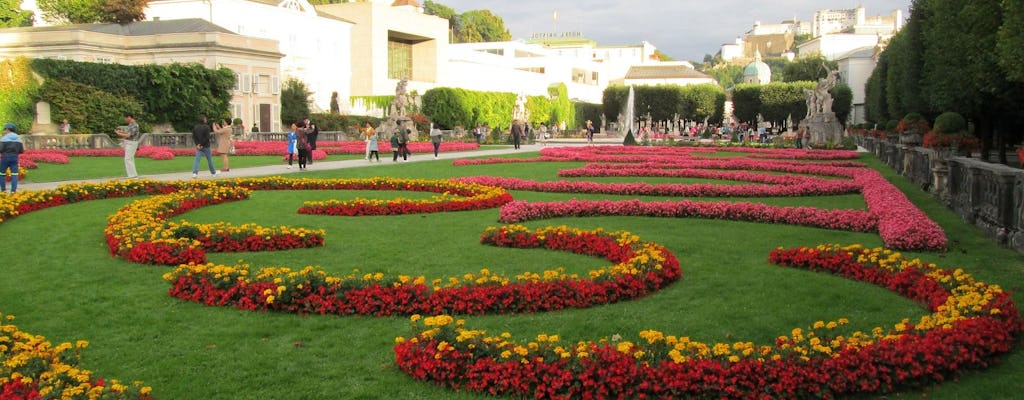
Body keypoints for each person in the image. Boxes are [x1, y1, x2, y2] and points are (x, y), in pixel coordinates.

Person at [114, 112, 140, 178]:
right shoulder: (131, 125)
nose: (125, 119)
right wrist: (121, 132)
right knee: (130, 158)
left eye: (125, 118)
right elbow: (128, 133)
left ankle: (132, 175)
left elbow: (128, 135)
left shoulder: (134, 125)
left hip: (131, 143)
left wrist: (119, 134)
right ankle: (132, 174)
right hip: (129, 142)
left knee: (128, 159)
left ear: (129, 117)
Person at [1, 123, 24, 194]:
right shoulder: (19, 138)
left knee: (1, 174)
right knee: (14, 174)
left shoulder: (4, 138)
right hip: (14, 158)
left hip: (5, 157)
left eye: (5, 129)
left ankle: (3, 190)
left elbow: (0, 149)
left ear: (8, 129)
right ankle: (13, 191)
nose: (4, 131)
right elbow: (21, 151)